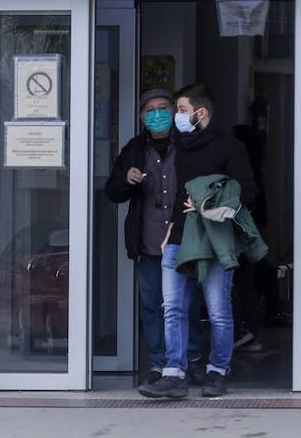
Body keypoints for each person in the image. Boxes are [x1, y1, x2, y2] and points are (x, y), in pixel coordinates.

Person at [139, 83, 257, 400]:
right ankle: (173, 374)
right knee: (172, 308)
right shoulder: (180, 145)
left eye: (180, 110)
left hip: (215, 239)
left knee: (218, 311)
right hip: (178, 238)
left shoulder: (229, 146)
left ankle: (217, 371)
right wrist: (168, 233)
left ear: (199, 113)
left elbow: (246, 192)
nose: (175, 117)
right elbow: (178, 194)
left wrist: (210, 201)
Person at [103, 89, 200, 387]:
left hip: (184, 239)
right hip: (147, 241)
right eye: (150, 109)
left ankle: (191, 360)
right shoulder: (133, 149)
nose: (157, 113)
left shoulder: (188, 144)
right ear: (142, 117)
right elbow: (113, 192)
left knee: (187, 303)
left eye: (163, 108)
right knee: (152, 304)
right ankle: (160, 362)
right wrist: (125, 179)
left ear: (173, 112)